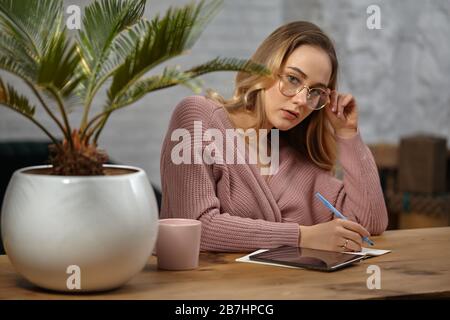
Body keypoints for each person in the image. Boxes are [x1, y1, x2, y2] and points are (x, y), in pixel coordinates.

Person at [160, 21, 388, 253]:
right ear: (264, 68)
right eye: (293, 79)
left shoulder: (299, 163)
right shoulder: (199, 118)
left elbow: (370, 221)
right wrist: (301, 236)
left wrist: (348, 133)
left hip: (282, 289)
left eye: (315, 91)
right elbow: (194, 228)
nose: (301, 100)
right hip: (202, 288)